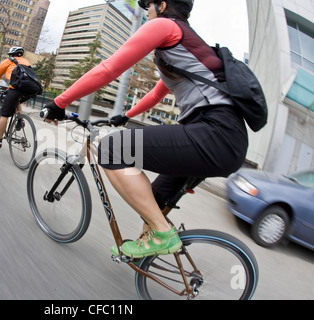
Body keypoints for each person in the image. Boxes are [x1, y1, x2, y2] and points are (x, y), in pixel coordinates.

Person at [42, 0, 248, 258]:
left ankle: (162, 234)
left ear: (161, 5)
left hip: (214, 133)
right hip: (226, 141)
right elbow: (155, 95)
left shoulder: (165, 26)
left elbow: (109, 68)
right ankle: (149, 248)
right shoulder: (187, 50)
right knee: (155, 198)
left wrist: (59, 102)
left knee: (111, 149)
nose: (146, 12)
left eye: (148, 6)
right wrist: (124, 116)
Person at [0, 46, 31, 148]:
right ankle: (21, 120)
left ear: (11, 55)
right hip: (29, 90)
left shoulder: (8, 61)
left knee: (4, 115)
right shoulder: (26, 62)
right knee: (17, 101)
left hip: (15, 89)